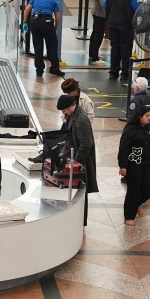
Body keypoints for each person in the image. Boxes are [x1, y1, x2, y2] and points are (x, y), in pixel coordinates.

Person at [58, 94, 98, 225]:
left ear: (71, 106)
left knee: (80, 191)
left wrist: (76, 163)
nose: (63, 113)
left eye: (64, 110)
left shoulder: (81, 119)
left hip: (81, 163)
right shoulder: (72, 115)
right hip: (73, 157)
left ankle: (81, 222)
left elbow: (87, 143)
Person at [119, 106, 150, 226]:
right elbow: (123, 148)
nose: (149, 118)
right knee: (133, 190)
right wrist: (122, 166)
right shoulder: (130, 130)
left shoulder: (149, 128)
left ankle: (135, 205)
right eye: (147, 116)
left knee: (149, 189)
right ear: (139, 117)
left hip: (147, 163)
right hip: (133, 165)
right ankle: (129, 216)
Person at [22, 0, 65, 77]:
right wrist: (55, 27)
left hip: (34, 21)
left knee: (37, 46)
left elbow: (27, 10)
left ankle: (39, 69)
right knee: (52, 45)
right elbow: (57, 16)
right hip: (47, 22)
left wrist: (25, 22)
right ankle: (54, 69)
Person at [105, 0, 139, 81]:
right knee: (126, 49)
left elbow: (104, 5)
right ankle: (125, 73)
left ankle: (113, 72)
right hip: (126, 27)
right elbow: (137, 9)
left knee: (114, 48)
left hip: (112, 24)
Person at [87, 0, 109, 66]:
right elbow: (103, 3)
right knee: (98, 35)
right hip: (100, 14)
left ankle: (92, 54)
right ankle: (95, 57)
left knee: (95, 33)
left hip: (96, 13)